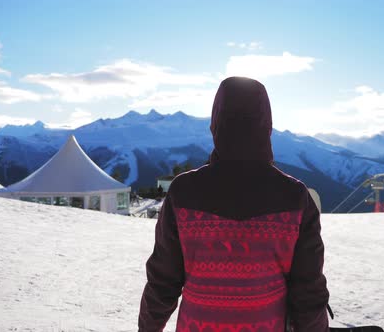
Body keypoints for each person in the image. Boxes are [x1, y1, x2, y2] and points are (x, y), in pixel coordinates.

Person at [138, 77, 329, 332]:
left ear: (215, 123)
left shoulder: (184, 192)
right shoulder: (295, 196)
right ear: (267, 125)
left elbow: (162, 282)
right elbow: (308, 292)